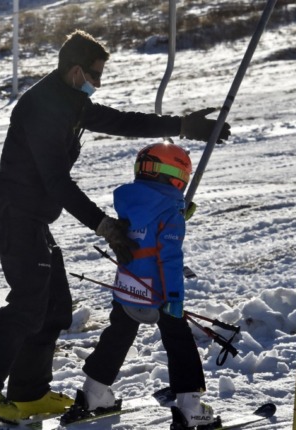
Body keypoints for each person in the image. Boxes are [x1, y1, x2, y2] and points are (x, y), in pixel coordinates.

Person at [0, 29, 229, 424]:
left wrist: (182, 125)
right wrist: (104, 225)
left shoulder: (68, 102)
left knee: (54, 306)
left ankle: (29, 394)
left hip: (34, 217)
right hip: (16, 214)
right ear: (77, 70)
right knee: (30, 302)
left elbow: (120, 121)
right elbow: (55, 180)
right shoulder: (43, 108)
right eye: (96, 76)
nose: (99, 84)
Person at [61, 142, 216, 429]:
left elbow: (146, 227)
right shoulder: (169, 211)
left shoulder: (131, 200)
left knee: (117, 336)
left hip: (128, 287)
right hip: (159, 293)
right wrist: (173, 297)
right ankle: (190, 407)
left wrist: (178, 213)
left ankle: (94, 394)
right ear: (177, 176)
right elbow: (168, 257)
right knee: (179, 343)